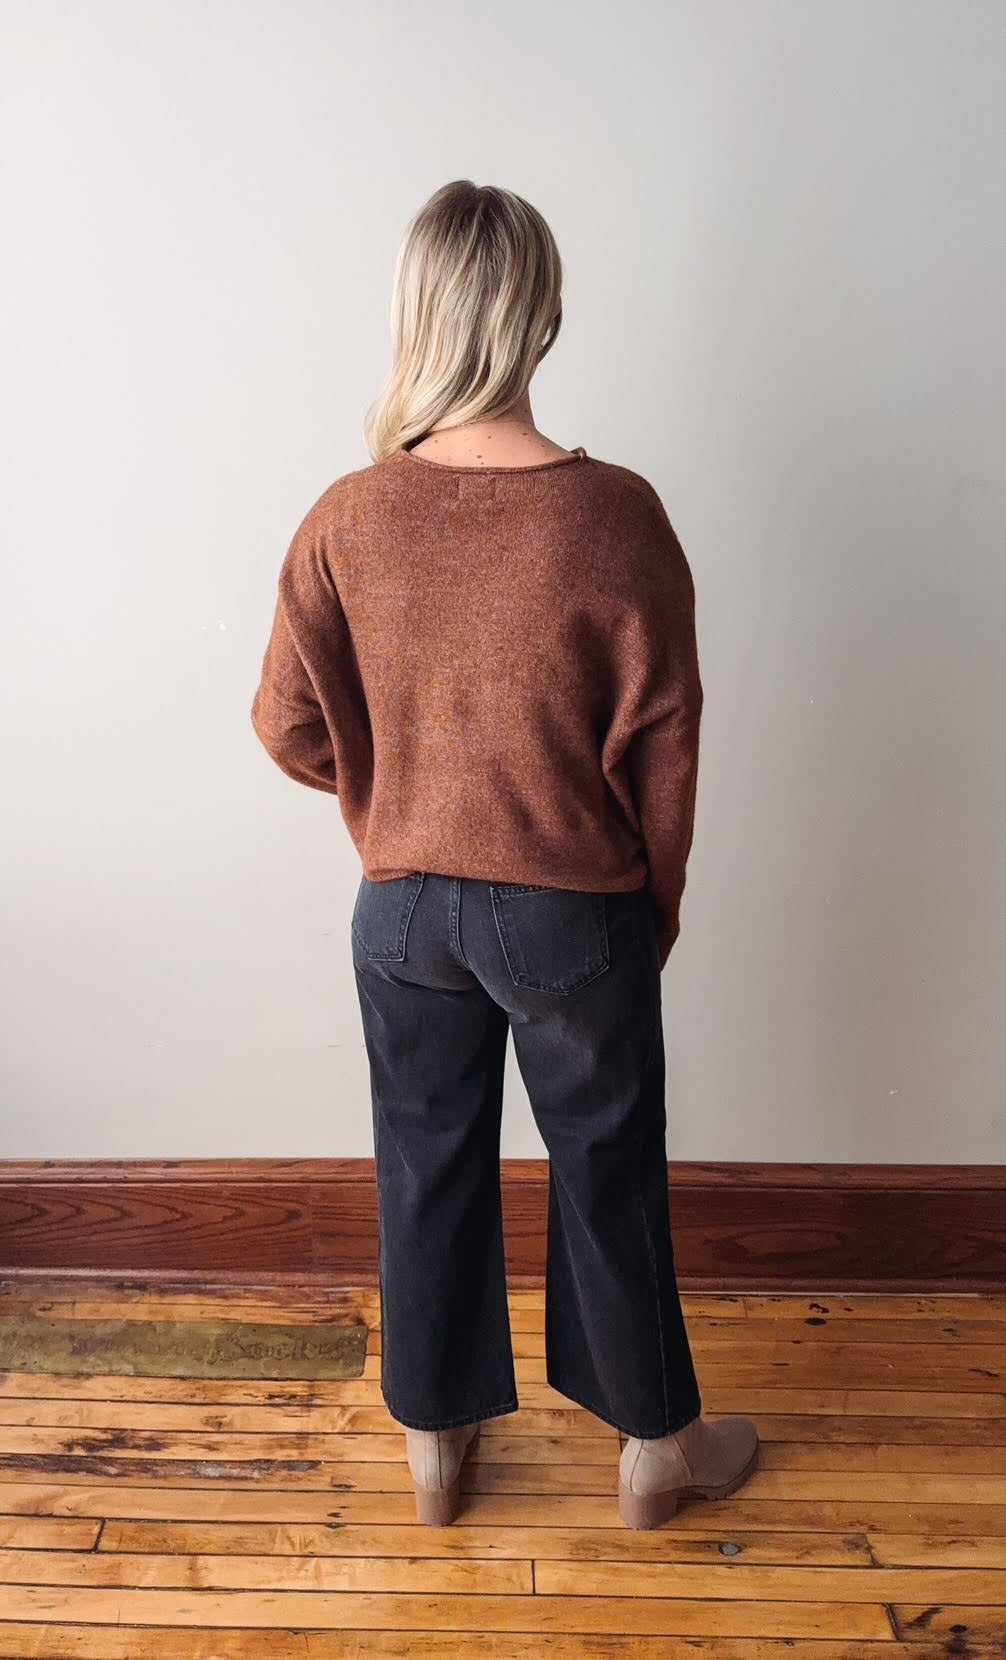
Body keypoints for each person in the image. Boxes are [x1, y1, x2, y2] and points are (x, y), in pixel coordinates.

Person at [250, 177, 759, 1529]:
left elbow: (285, 724)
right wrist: (645, 907)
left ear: (417, 315)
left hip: (402, 911)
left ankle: (437, 1441)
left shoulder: (347, 514)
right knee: (608, 1165)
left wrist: (395, 803)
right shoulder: (617, 515)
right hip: (570, 907)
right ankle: (656, 1446)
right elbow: (665, 740)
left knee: (424, 1160)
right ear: (540, 317)